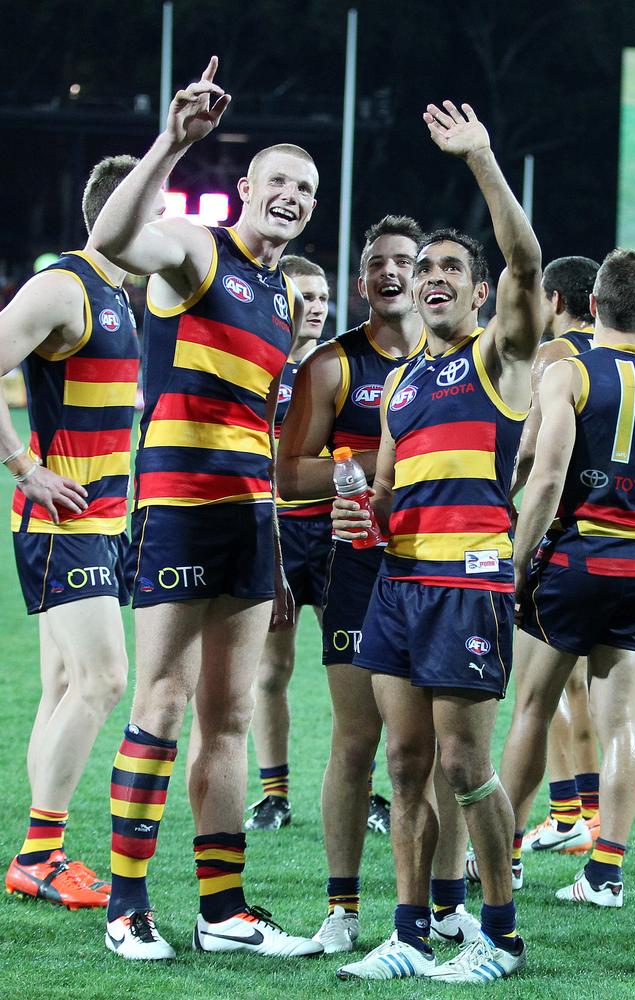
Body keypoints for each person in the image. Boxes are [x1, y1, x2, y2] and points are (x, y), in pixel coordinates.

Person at [92, 58, 322, 959]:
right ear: (245, 189)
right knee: (163, 701)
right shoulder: (196, 252)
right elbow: (112, 235)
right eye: (278, 183)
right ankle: (126, 908)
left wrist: (273, 534)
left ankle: (223, 912)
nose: (293, 197)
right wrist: (174, 141)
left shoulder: (278, 298)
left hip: (247, 520)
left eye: (305, 188)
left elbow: (260, 431)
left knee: (231, 716)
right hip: (179, 509)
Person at [332, 98, 542, 983]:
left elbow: (527, 259)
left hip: (469, 583)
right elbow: (383, 492)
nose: (432, 278)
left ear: (481, 288)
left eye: (451, 267)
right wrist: (361, 516)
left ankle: (498, 935)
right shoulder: (408, 381)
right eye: (424, 269)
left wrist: (482, 159)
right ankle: (409, 934)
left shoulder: (502, 353)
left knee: (465, 763)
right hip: (399, 587)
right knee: (407, 765)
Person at [278, 215, 479, 955]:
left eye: (407, 259)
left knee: (450, 747)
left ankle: (450, 902)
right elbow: (286, 470)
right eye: (378, 263)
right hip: (362, 570)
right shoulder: (333, 366)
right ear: (363, 282)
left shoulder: (464, 362)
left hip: (448, 568)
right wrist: (363, 471)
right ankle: (342, 911)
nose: (393, 271)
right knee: (361, 741)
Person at [1, 155, 146, 910]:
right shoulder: (65, 285)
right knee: (103, 681)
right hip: (65, 525)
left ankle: (40, 851)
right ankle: (40, 853)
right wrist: (24, 467)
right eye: (151, 209)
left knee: (61, 685)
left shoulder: (124, 297)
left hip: (101, 524)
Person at [501, 248, 635, 908]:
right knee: (619, 720)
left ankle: (503, 857)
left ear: (592, 305)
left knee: (533, 708)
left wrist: (516, 562)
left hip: (574, 560)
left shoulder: (569, 371)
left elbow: (547, 476)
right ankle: (606, 871)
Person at [246, 254, 332, 831]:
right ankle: (274, 793)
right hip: (275, 533)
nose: (318, 307)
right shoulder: (256, 366)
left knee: (359, 667)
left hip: (335, 534)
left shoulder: (341, 367)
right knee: (271, 669)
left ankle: (370, 789)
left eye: (325, 297)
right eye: (306, 296)